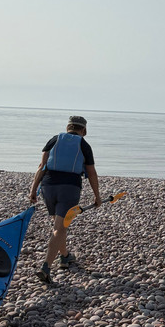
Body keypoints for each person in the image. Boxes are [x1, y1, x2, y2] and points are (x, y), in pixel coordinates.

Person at [28, 115, 101, 283]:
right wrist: (97, 196)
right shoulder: (84, 145)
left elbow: (42, 166)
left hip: (48, 187)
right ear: (84, 130)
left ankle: (65, 256)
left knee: (59, 225)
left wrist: (33, 190)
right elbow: (91, 173)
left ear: (68, 127)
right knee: (60, 228)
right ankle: (46, 267)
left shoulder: (54, 140)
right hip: (69, 188)